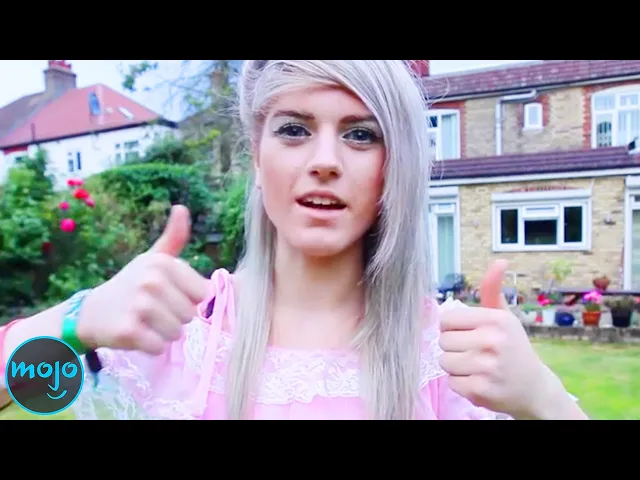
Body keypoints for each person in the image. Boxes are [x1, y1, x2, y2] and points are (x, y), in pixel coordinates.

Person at [0, 60, 588, 420]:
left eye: (361, 135)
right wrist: (72, 325)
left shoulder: (446, 359)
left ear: (394, 168)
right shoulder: (174, 332)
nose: (325, 161)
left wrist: (545, 402)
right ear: (258, 158)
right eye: (294, 130)